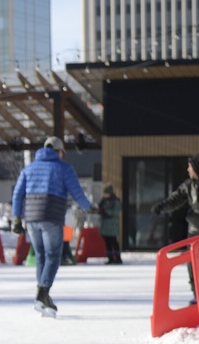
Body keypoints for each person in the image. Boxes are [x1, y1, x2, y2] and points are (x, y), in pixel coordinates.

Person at [11, 136, 96, 317]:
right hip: (51, 217)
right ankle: (43, 293)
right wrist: (90, 207)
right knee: (53, 256)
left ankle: (42, 295)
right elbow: (77, 193)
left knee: (41, 255)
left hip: (32, 219)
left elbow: (17, 194)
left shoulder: (29, 168)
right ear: (59, 151)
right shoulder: (64, 168)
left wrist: (17, 218)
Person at [151, 151, 199, 301]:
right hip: (196, 231)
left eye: (190, 167)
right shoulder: (188, 185)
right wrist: (161, 206)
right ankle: (198, 296)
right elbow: (176, 199)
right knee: (194, 265)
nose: (188, 170)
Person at [97, 183, 122, 264]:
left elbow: (115, 212)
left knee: (113, 241)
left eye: (106, 193)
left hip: (112, 225)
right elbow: (100, 208)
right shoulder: (103, 201)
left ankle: (118, 258)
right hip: (105, 225)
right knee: (107, 242)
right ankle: (110, 258)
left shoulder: (115, 201)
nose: (105, 195)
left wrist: (106, 211)